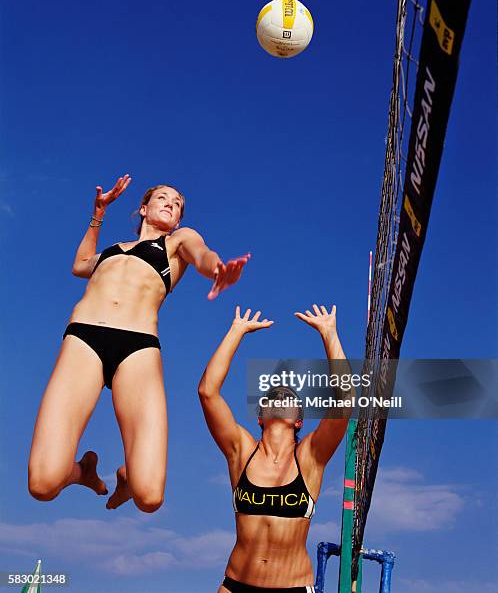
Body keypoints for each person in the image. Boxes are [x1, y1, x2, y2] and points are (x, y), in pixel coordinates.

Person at [28, 175, 250, 513]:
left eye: (176, 204)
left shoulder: (177, 242)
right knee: (42, 484)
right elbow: (79, 265)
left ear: (178, 219)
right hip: (83, 339)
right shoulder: (111, 252)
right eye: (163, 198)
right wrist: (98, 213)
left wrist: (217, 270)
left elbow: (202, 254)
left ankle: (127, 478)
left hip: (138, 348)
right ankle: (82, 472)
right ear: (144, 209)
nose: (170, 204)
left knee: (149, 497)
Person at [198, 304, 352, 593]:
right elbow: (207, 392)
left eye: (289, 396)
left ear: (298, 421)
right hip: (236, 585)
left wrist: (329, 333)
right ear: (260, 417)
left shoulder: (310, 456)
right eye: (273, 395)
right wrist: (236, 331)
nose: (281, 395)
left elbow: (345, 401)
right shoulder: (241, 450)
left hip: (292, 587)